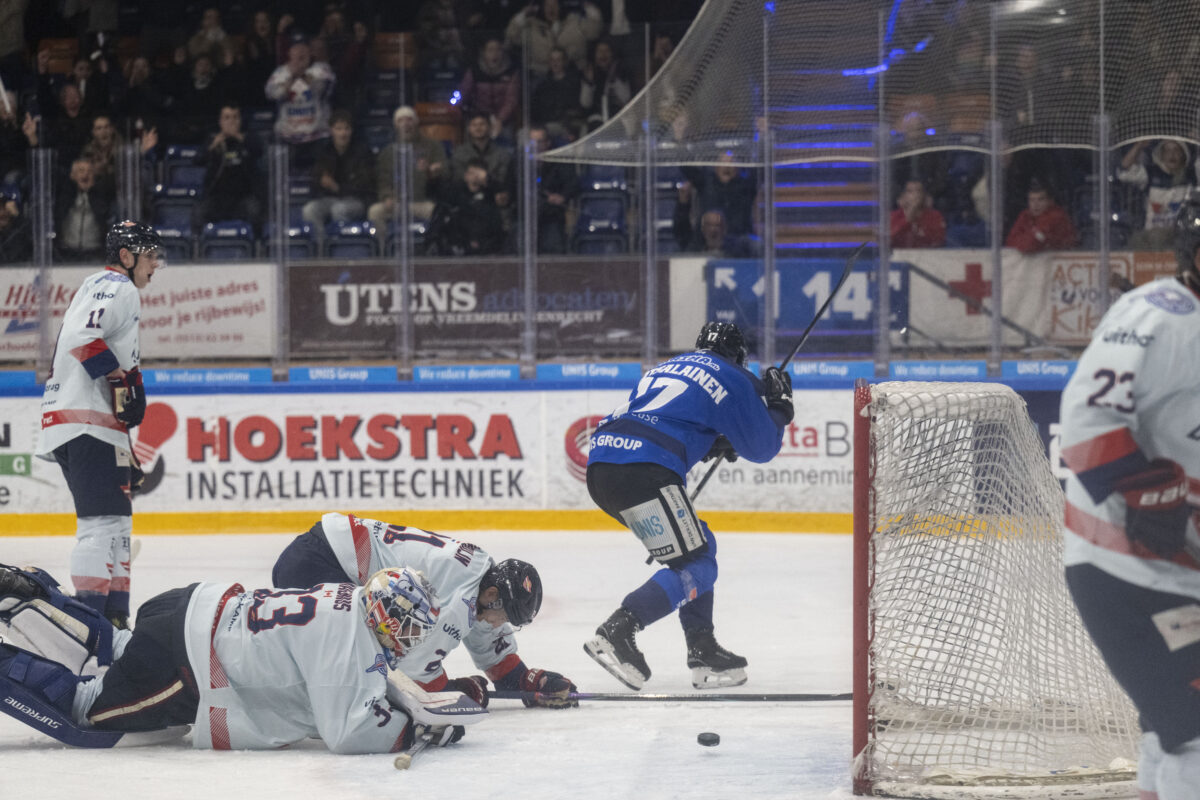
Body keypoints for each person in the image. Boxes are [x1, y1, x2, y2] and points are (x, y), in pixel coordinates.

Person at [0, 562, 480, 753]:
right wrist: (413, 730)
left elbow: (360, 678)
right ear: (389, 618)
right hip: (183, 660)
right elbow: (346, 731)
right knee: (85, 710)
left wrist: (406, 703)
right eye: (412, 627)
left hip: (188, 606)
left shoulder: (346, 599)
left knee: (123, 647)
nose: (414, 638)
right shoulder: (348, 644)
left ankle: (40, 594)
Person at [1058, 197, 1200, 800]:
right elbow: (1086, 418)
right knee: (1193, 735)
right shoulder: (1161, 312)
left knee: (1168, 733)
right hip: (1124, 569)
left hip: (1179, 574)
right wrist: (1151, 498)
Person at [583, 322, 793, 690]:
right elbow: (762, 448)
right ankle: (618, 630)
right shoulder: (732, 375)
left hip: (603, 469)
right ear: (738, 356)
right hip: (644, 470)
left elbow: (665, 417)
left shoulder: (667, 367)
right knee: (698, 564)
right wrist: (780, 407)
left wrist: (715, 442)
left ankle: (702, 648)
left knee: (700, 545)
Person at [272, 511, 578, 709]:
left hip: (326, 549)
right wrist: (452, 690)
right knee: (357, 670)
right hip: (316, 564)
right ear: (493, 595)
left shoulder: (482, 582)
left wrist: (527, 682)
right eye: (506, 617)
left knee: (369, 647)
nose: (502, 624)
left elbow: (490, 645)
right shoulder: (460, 600)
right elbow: (414, 675)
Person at [35, 221, 162, 629]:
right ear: (125, 257)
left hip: (85, 423)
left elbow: (101, 342)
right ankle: (91, 623)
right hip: (85, 423)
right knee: (100, 524)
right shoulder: (119, 288)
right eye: (149, 255)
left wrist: (131, 384)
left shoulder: (94, 284)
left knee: (119, 524)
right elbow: (81, 336)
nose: (155, 264)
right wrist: (120, 381)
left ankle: (116, 617)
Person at [367, 105, 447, 237]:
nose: (405, 124)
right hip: (396, 203)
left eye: (409, 119)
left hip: (423, 202)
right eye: (401, 120)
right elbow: (382, 179)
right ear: (395, 125)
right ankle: (383, 250)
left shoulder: (433, 147)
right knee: (375, 212)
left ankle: (431, 249)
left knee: (436, 212)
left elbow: (445, 172)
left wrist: (432, 171)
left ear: (416, 123)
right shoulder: (388, 152)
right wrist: (387, 196)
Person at [264, 33, 336, 162]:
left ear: (310, 50)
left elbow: (318, 87)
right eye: (295, 48)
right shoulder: (280, 72)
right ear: (289, 52)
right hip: (288, 137)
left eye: (303, 47)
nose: (300, 51)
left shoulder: (322, 68)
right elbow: (272, 94)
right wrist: (292, 76)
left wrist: (291, 80)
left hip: (317, 135)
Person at [1117, 139, 1199, 251]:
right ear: (1162, 154)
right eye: (1168, 151)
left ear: (1183, 154)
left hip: (1182, 238)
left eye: (1176, 150)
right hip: (1152, 238)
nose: (1172, 155)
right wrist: (1138, 146)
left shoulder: (1192, 175)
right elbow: (1124, 171)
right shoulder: (1150, 174)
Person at [194, 105, 263, 233]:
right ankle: (196, 251)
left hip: (243, 198)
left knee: (255, 211)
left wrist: (238, 137)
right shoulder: (212, 140)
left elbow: (258, 151)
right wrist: (213, 145)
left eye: (235, 117)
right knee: (198, 212)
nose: (231, 121)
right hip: (216, 199)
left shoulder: (249, 139)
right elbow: (197, 160)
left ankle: (259, 250)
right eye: (227, 118)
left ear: (240, 121)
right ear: (220, 121)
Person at [302, 110, 375, 231]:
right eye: (339, 129)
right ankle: (320, 246)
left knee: (339, 209)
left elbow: (365, 185)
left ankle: (340, 246)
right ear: (332, 130)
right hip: (329, 198)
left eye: (346, 129)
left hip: (357, 200)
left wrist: (338, 188)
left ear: (351, 131)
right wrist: (322, 182)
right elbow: (314, 180)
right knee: (309, 210)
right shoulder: (324, 151)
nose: (343, 133)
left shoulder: (362, 152)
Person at [429, 158, 506, 256]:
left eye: (478, 174)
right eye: (471, 173)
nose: (475, 177)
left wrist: (488, 180)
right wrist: (434, 178)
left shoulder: (490, 193)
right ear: (465, 175)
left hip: (487, 243)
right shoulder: (457, 191)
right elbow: (437, 193)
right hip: (460, 243)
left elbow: (503, 196)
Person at [53, 158, 115, 261]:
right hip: (66, 253)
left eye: (90, 171)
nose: (86, 175)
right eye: (81, 171)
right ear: (72, 175)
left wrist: (91, 191)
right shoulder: (64, 195)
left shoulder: (101, 195)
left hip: (95, 253)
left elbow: (103, 210)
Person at [1004, 180, 1078, 254]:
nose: (1035, 205)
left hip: (1063, 260)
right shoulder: (1025, 215)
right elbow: (1010, 242)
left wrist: (1025, 237)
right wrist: (1031, 236)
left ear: (1051, 201)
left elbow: (1030, 245)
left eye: (1041, 200)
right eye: (1032, 200)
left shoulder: (1056, 216)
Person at [890, 179, 947, 248]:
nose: (915, 195)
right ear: (903, 196)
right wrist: (908, 218)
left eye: (918, 191)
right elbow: (890, 238)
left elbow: (939, 240)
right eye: (910, 191)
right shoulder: (894, 216)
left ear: (924, 195)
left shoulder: (935, 216)